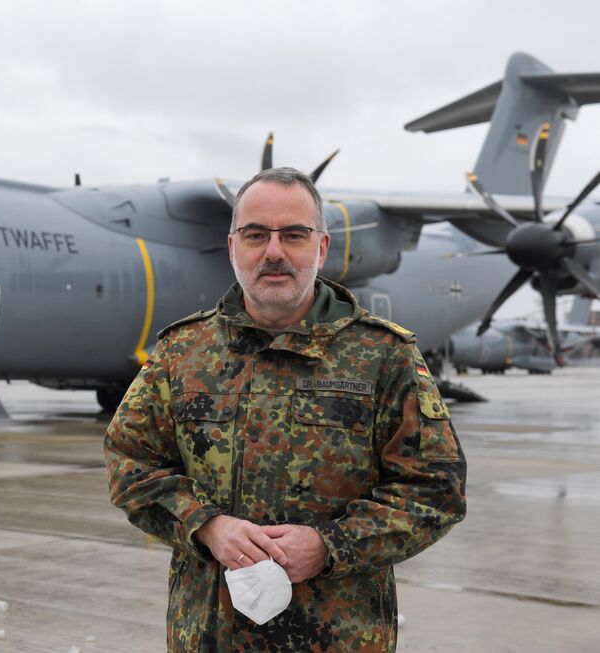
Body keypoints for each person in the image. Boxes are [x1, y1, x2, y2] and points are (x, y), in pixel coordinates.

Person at [104, 167, 466, 652]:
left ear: (321, 248)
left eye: (293, 235)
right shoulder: (182, 352)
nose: (273, 252)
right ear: (232, 247)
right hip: (211, 637)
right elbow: (131, 465)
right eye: (256, 235)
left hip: (340, 639)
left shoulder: (383, 357)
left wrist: (330, 546)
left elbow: (436, 491)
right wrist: (206, 525)